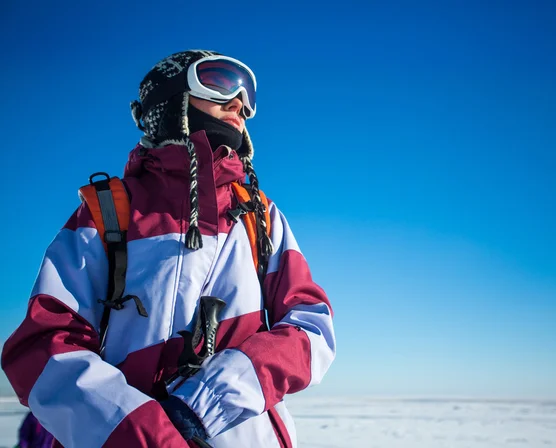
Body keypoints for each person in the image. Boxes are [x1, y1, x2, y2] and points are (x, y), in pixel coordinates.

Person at [1, 50, 335, 447]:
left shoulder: (260, 217)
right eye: (221, 80)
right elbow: (43, 345)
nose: (240, 103)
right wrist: (142, 434)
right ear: (170, 96)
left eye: (249, 95)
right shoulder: (107, 212)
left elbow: (312, 327)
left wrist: (204, 404)